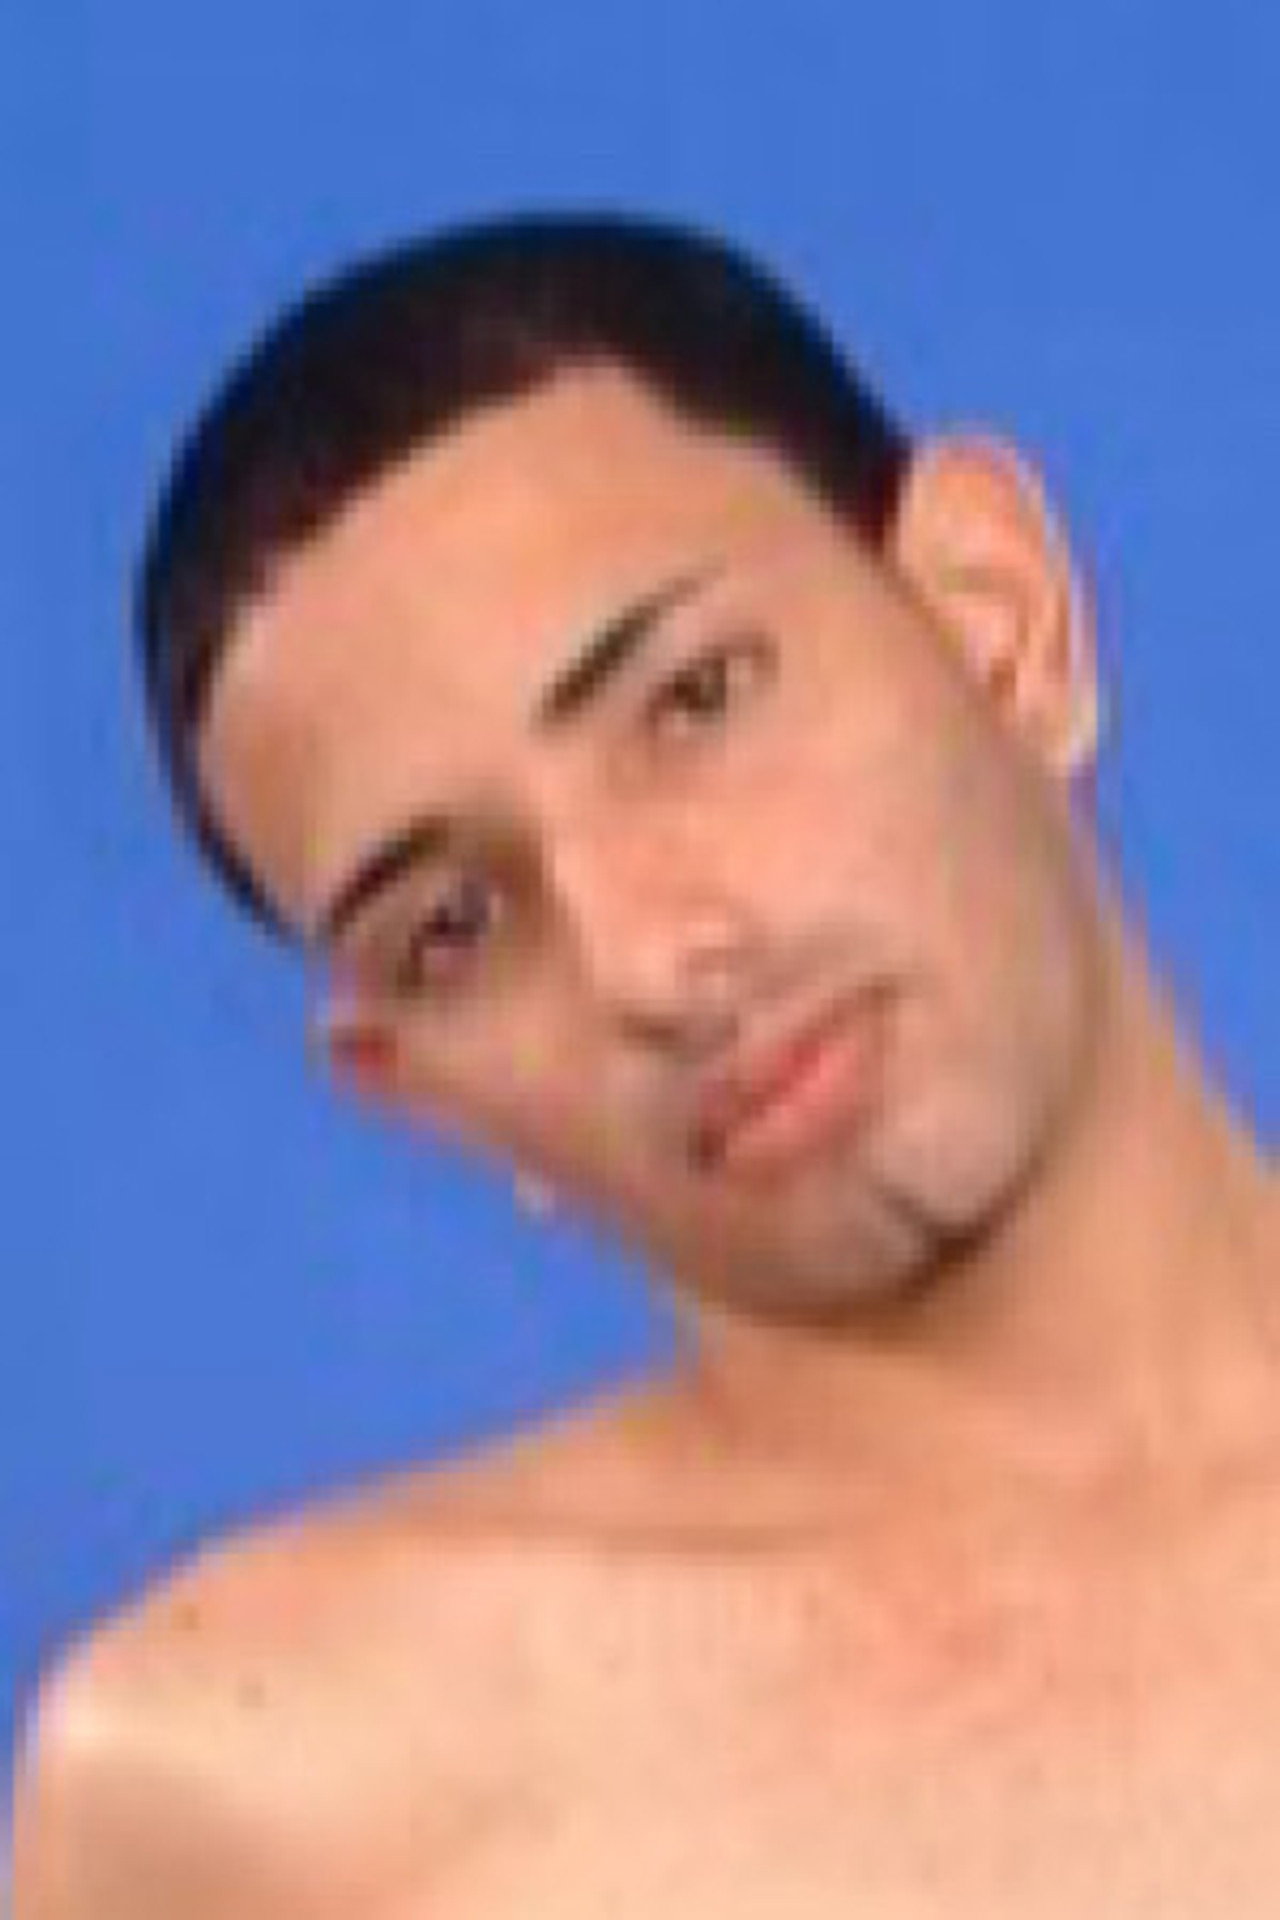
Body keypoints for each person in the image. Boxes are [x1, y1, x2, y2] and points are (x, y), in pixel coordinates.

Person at [12, 212, 1279, 1916]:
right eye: (453, 927)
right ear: (420, 1088)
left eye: (695, 701)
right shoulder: (266, 1795)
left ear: (998, 620)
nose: (649, 963)